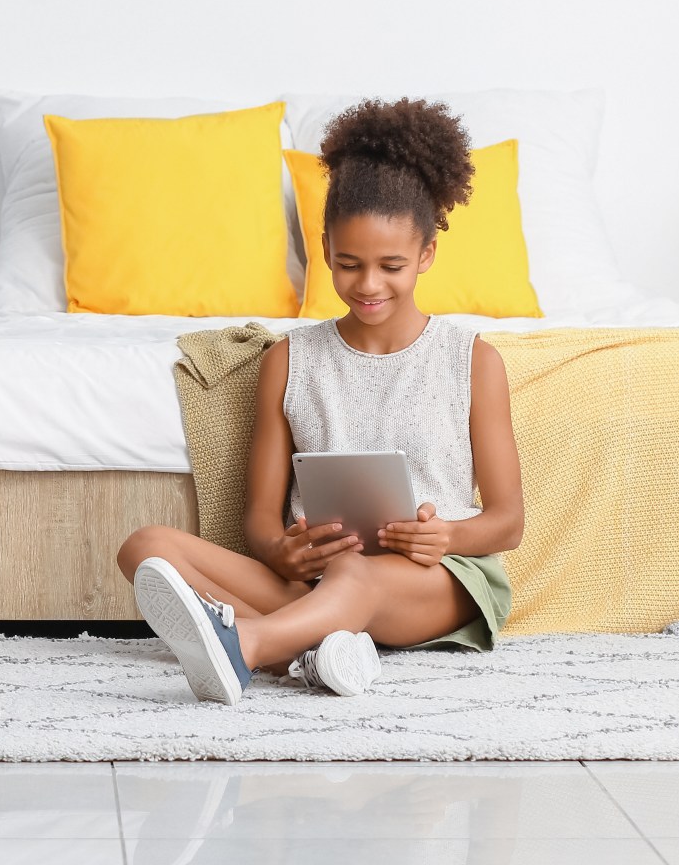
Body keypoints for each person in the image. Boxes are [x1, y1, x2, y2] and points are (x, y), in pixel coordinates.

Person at [119, 97, 525, 705]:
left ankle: (248, 646)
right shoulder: (289, 360)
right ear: (325, 250)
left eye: (391, 265)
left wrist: (446, 537)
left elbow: (508, 520)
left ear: (426, 256)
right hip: (320, 578)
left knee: (354, 574)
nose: (367, 285)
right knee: (146, 547)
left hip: (437, 580)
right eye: (347, 263)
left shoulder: (473, 360)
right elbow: (259, 516)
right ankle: (317, 650)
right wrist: (281, 550)